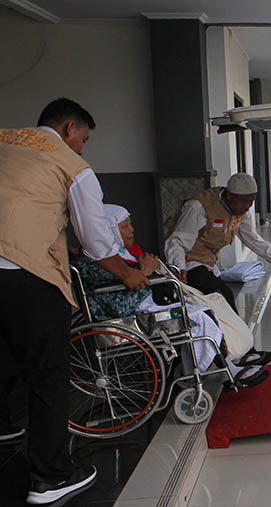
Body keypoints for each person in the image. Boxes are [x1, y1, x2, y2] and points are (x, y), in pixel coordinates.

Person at [0, 98, 149, 505]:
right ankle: (50, 476)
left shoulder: (4, 140)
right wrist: (129, 273)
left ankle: (4, 424)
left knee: (5, 351)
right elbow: (96, 239)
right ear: (69, 128)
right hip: (22, 271)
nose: (83, 147)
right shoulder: (71, 166)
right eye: (84, 138)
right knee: (48, 374)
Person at [73, 205, 268, 386]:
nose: (131, 230)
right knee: (201, 316)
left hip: (146, 304)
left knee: (206, 307)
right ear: (109, 231)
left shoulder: (116, 254)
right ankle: (221, 372)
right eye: (124, 227)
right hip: (133, 314)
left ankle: (224, 361)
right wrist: (146, 271)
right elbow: (121, 301)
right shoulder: (96, 262)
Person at [165, 173, 271, 365]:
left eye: (252, 201)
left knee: (217, 304)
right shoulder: (199, 207)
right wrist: (178, 269)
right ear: (230, 196)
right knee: (222, 295)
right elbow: (177, 242)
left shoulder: (239, 212)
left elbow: (254, 240)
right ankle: (243, 353)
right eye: (244, 201)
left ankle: (231, 354)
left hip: (209, 264)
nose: (248, 206)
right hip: (188, 264)